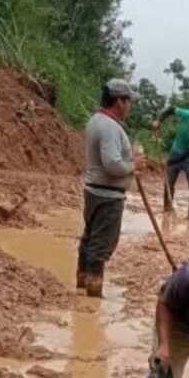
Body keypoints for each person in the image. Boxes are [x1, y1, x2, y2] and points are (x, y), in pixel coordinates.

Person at [77, 79, 145, 298]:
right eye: (128, 101)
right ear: (119, 102)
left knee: (89, 240)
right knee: (100, 245)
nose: (130, 106)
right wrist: (135, 165)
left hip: (94, 191)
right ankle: (92, 297)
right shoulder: (109, 127)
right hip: (107, 196)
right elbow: (112, 164)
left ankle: (81, 287)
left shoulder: (96, 121)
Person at [152, 106, 189, 219]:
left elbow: (186, 154)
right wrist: (159, 121)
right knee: (168, 183)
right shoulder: (188, 115)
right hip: (175, 151)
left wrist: (168, 162)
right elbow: (171, 109)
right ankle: (167, 211)